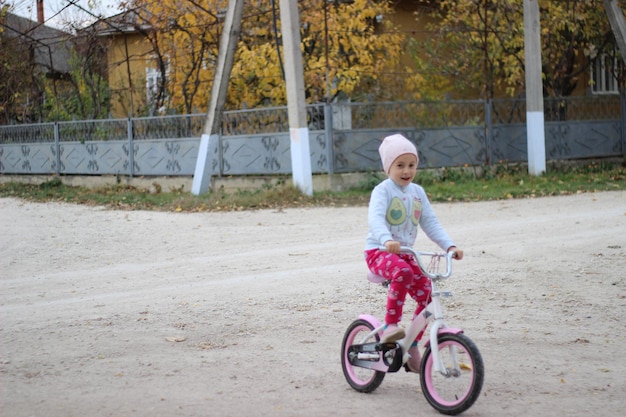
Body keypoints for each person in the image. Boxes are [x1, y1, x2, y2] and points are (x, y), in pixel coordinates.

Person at [364, 133, 464, 373]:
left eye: (411, 165)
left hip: (406, 253)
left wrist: (449, 246)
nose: (406, 170)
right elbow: (375, 219)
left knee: (428, 297)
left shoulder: (418, 192)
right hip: (379, 251)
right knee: (402, 271)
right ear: (388, 167)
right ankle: (390, 326)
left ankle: (413, 345)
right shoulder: (383, 191)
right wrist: (386, 239)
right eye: (400, 165)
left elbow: (430, 223)